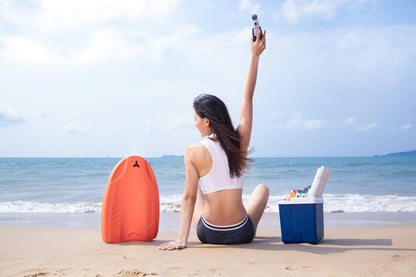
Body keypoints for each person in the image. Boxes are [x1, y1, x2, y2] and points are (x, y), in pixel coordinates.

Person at [159, 29, 268, 250]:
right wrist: (255, 55)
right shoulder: (240, 140)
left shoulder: (192, 151)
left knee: (195, 187)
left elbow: (188, 198)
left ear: (206, 121)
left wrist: (182, 240)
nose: (194, 123)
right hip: (242, 232)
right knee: (263, 189)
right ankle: (236, 213)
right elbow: (248, 96)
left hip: (209, 233)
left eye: (195, 118)